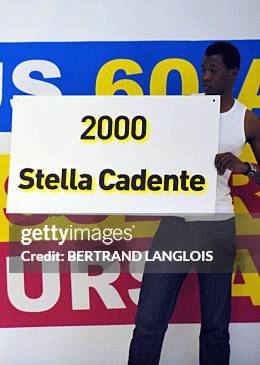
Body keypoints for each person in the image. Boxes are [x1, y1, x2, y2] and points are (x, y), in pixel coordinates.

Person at [128, 41, 259, 365]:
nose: (206, 76)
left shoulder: (247, 121)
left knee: (215, 326)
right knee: (148, 322)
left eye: (214, 70)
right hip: (176, 223)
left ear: (233, 73)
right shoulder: (187, 109)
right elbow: (152, 149)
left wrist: (244, 167)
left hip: (217, 226)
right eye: (203, 69)